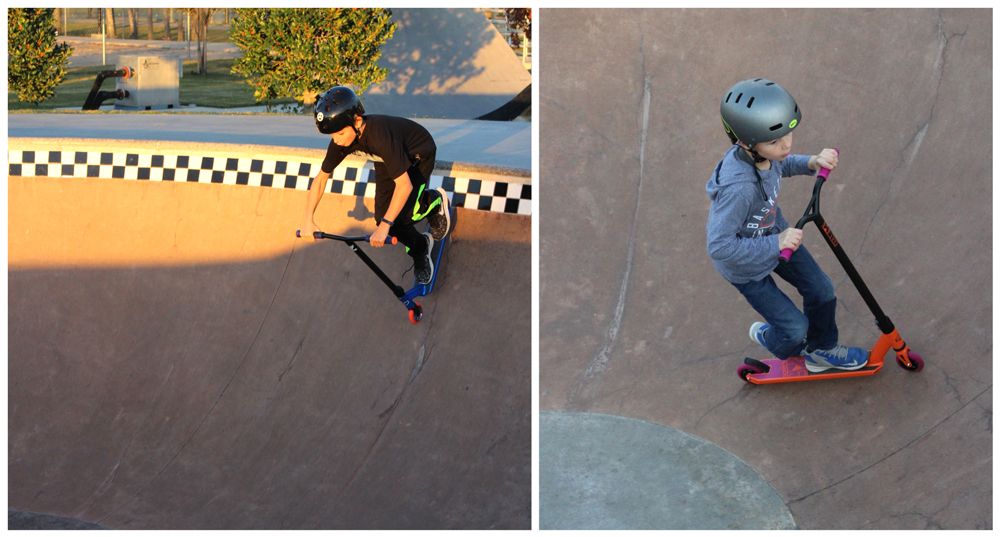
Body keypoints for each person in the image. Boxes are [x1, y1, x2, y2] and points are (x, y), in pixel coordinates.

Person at [705, 78, 867, 373]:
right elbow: (719, 246)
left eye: (788, 134)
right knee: (795, 331)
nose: (786, 144)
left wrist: (811, 163)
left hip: (776, 238)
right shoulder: (738, 188)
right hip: (747, 267)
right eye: (776, 141)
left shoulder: (764, 154)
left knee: (823, 291)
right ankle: (770, 336)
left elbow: (781, 163)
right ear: (745, 143)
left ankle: (823, 351)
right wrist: (775, 243)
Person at [301, 86, 451, 284]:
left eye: (340, 134)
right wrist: (307, 219)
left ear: (356, 121)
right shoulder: (342, 139)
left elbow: (404, 186)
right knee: (383, 219)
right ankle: (421, 246)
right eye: (332, 137)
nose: (336, 141)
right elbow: (321, 179)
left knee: (405, 217)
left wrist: (387, 225)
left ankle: (435, 201)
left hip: (417, 155)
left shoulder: (379, 136)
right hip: (387, 161)